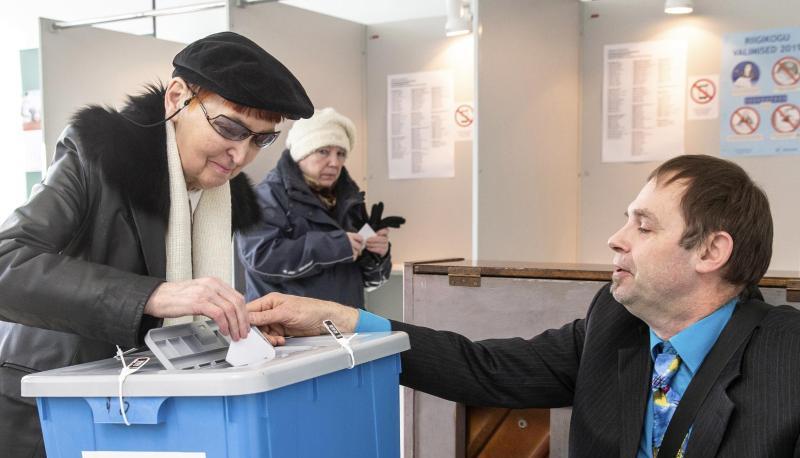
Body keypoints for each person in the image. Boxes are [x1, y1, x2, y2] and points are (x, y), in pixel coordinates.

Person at [248, 155, 800, 457]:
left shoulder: (788, 354)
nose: (615, 239)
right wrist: (342, 321)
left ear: (711, 252)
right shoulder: (615, 323)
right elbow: (481, 368)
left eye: (644, 225)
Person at [0, 32, 313, 457]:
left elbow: (191, 311)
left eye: (261, 139)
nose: (240, 156)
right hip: (50, 411)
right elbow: (6, 266)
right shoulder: (96, 154)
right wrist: (155, 295)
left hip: (146, 414)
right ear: (177, 98)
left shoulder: (225, 199)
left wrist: (234, 330)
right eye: (229, 128)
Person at [237, 107, 394, 309]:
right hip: (284, 326)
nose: (334, 162)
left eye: (341, 153)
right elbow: (261, 259)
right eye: (323, 151)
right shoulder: (265, 196)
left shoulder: (350, 199)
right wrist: (337, 246)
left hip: (346, 323)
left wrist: (377, 255)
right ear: (301, 153)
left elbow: (371, 282)